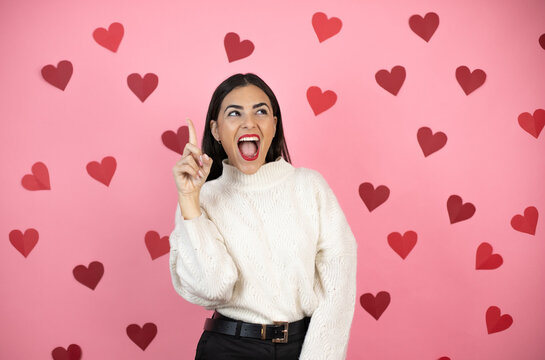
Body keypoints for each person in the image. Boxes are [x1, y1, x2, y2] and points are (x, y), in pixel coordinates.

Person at [169, 73, 358, 360]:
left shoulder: (310, 187)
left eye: (261, 111)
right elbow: (213, 289)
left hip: (301, 346)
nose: (249, 122)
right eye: (234, 113)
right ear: (217, 130)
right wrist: (188, 200)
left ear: (273, 125)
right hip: (227, 349)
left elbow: (338, 291)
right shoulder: (201, 198)